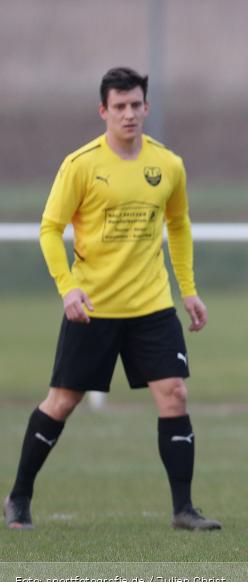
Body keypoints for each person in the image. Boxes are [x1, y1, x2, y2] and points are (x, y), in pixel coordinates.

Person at [3, 67, 220, 532]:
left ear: (146, 107)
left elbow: (178, 227)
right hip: (93, 308)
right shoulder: (81, 165)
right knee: (61, 402)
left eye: (135, 105)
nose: (128, 114)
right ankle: (19, 496)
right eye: (118, 106)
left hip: (152, 306)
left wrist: (188, 289)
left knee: (175, 394)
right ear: (104, 110)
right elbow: (48, 229)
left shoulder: (168, 165)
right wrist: (68, 287)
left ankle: (184, 509)